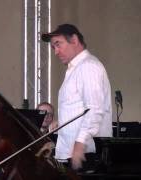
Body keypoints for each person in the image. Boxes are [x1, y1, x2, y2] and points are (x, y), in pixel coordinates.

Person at [41, 24, 112, 170]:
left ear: (74, 40)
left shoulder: (88, 66)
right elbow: (80, 109)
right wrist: (62, 123)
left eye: (58, 44)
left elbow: (94, 109)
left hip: (85, 154)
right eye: (53, 47)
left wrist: (80, 143)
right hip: (73, 152)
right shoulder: (77, 68)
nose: (56, 51)